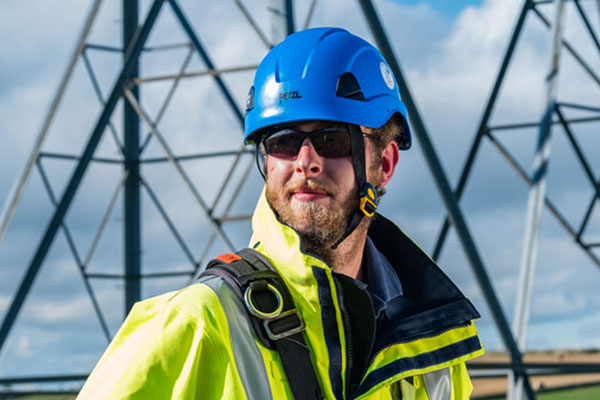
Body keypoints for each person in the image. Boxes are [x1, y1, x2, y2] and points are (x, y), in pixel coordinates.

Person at [78, 27, 483, 400]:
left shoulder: (436, 346)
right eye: (284, 142)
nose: (305, 163)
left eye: (331, 139)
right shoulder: (198, 324)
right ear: (267, 161)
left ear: (385, 163)